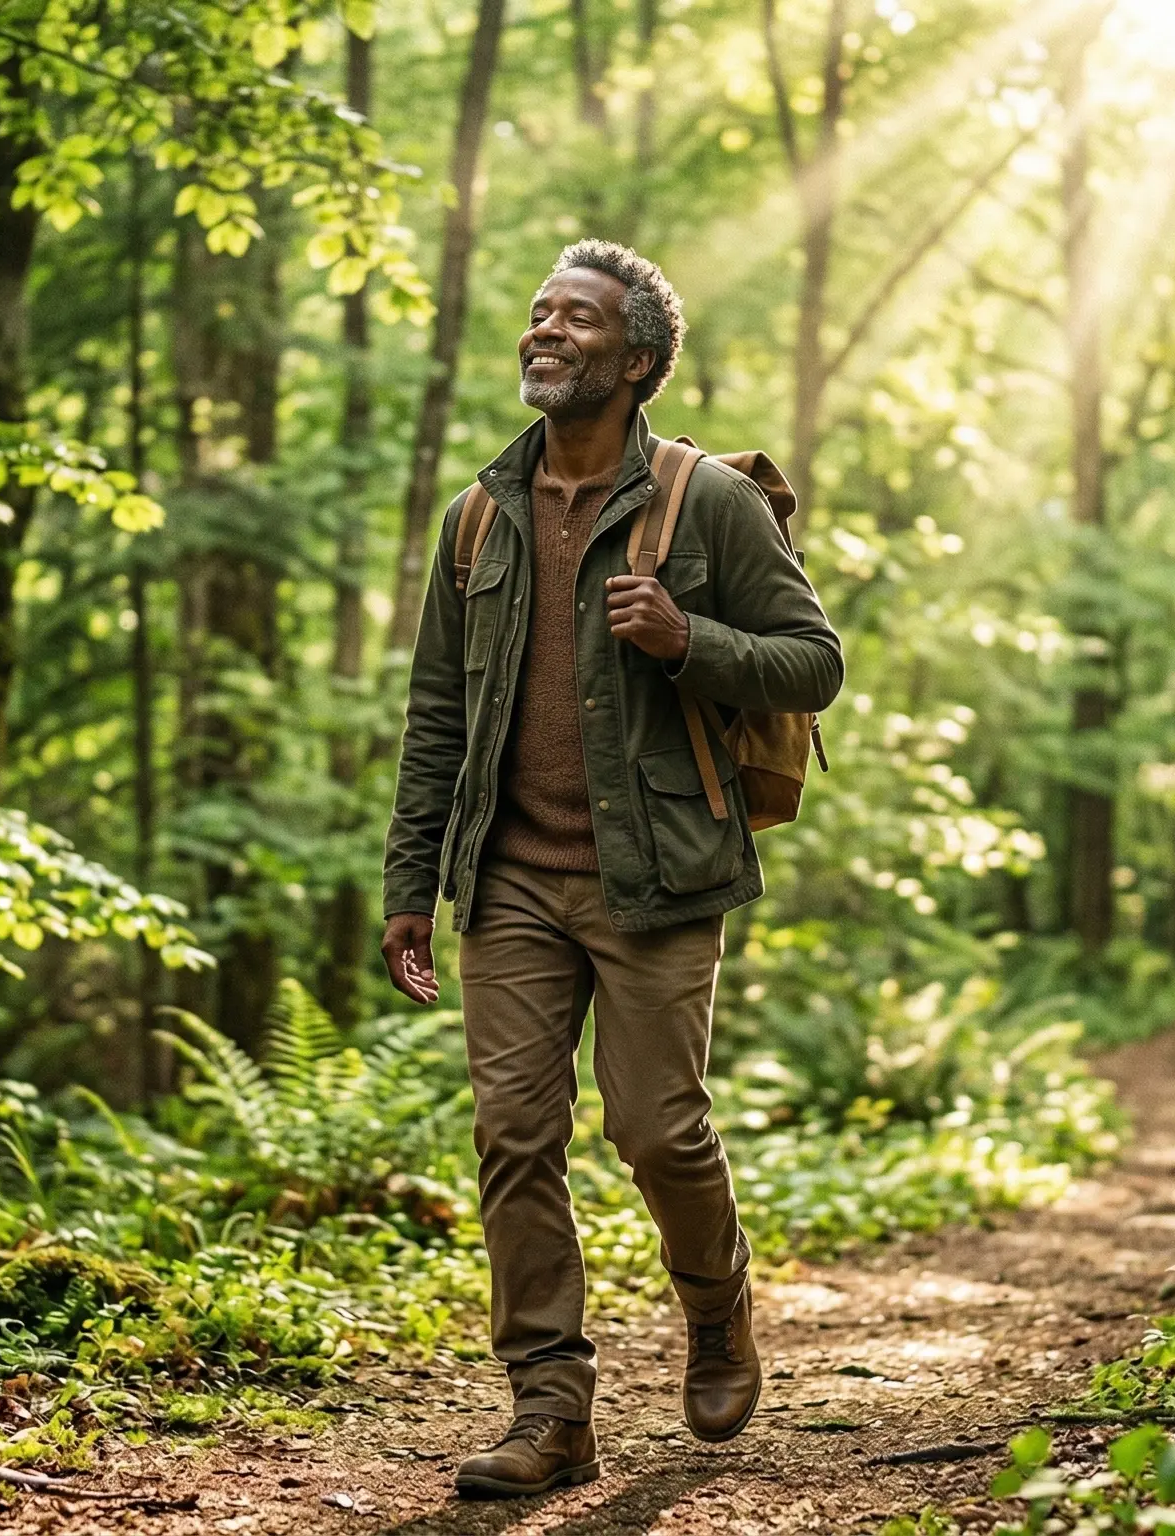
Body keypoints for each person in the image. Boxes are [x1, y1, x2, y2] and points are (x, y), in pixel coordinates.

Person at [379, 240, 845, 1498]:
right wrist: (408, 882)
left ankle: (715, 1308)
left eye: (575, 319)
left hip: (661, 874)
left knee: (655, 1129)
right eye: (538, 313)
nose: (545, 330)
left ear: (636, 360)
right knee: (513, 1136)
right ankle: (551, 1408)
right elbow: (436, 712)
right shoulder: (477, 513)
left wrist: (691, 640)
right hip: (512, 881)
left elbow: (815, 661)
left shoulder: (710, 503)